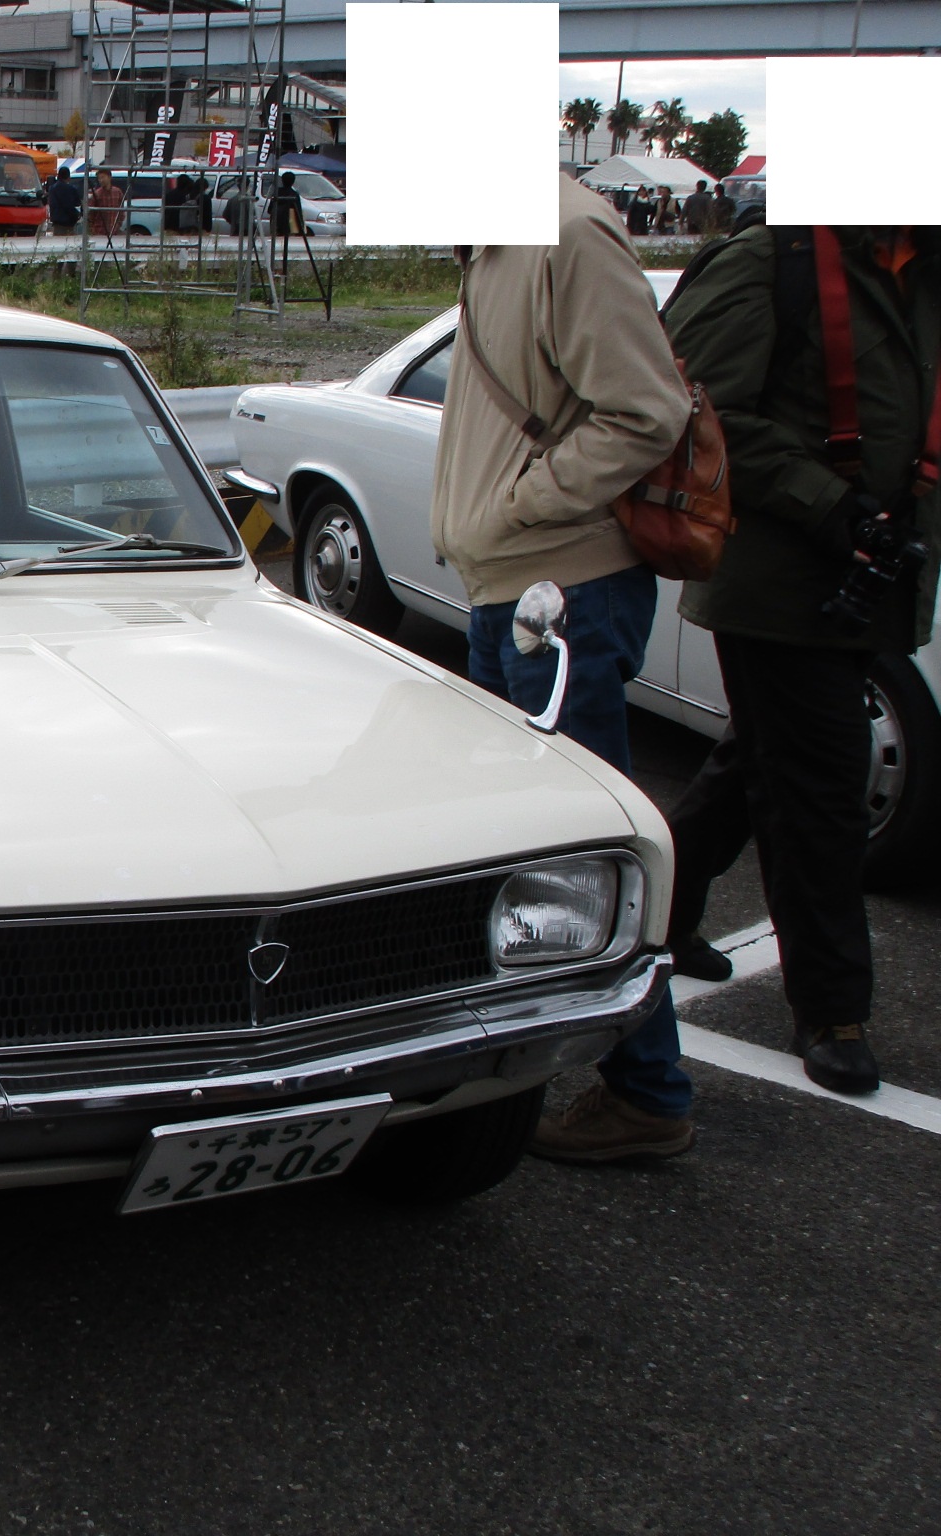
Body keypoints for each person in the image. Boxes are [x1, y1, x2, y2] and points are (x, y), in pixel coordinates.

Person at [431, 174, 696, 1162]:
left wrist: (518, 505)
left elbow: (643, 411)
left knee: (581, 852)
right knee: (522, 849)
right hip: (517, 586)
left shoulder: (564, 232)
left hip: (562, 589)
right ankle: (550, 1070)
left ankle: (645, 1090)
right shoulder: (491, 242)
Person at [661, 225, 940, 1095]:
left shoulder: (921, 270)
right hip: (782, 584)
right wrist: (830, 506)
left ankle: (661, 910)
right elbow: (698, 406)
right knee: (823, 790)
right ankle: (832, 1007)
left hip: (875, 580)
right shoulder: (769, 262)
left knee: (766, 758)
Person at [46, 165, 81, 234]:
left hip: (56, 223)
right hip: (68, 223)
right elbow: (74, 205)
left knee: (58, 242)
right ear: (68, 177)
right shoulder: (71, 189)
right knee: (69, 242)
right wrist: (77, 215)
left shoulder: (52, 189)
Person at [87, 167, 121, 238]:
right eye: (99, 178)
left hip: (114, 231)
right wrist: (92, 228)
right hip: (99, 231)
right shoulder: (96, 194)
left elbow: (121, 211)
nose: (101, 180)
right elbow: (90, 213)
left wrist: (118, 225)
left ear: (109, 177)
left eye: (103, 177)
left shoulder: (118, 192)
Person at [268, 170, 303, 236]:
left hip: (275, 225)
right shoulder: (294, 195)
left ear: (282, 180)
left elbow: (269, 210)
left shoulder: (276, 193)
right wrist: (301, 229)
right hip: (289, 226)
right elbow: (298, 212)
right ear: (293, 182)